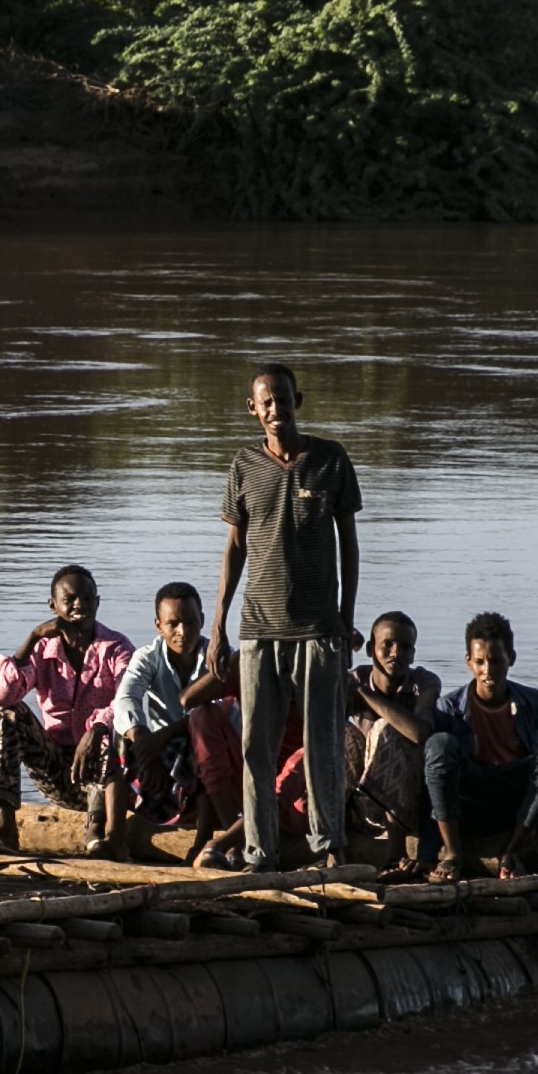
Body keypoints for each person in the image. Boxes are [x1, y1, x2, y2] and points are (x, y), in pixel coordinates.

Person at [213, 363, 362, 871]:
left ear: (299, 399)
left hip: (319, 629)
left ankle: (329, 847)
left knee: (322, 744)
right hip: (258, 629)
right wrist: (217, 627)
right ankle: (261, 852)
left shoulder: (329, 460)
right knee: (257, 747)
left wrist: (346, 618)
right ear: (252, 409)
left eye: (283, 399)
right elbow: (234, 549)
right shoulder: (244, 466)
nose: (276, 410)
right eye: (265, 403)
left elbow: (349, 544)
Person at [0, 565, 135, 856]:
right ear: (53, 606)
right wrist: (31, 638)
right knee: (9, 715)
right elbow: (1, 697)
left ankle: (96, 832)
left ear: (97, 602)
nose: (79, 604)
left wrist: (95, 729)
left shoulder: (117, 648)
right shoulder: (43, 648)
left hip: (105, 778)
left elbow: (128, 699)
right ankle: (5, 825)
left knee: (113, 727)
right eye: (69, 599)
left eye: (86, 598)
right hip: (58, 770)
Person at [426, 611, 538, 878]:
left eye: (495, 661)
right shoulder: (447, 709)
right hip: (471, 793)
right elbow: (438, 775)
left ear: (511, 659)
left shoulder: (537, 703)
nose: (488, 671)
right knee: (439, 745)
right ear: (468, 662)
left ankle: (511, 852)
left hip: (514, 793)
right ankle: (453, 853)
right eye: (480, 662)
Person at [110, 582, 244, 866]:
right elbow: (125, 699)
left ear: (203, 622)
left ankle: (203, 840)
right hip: (159, 761)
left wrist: (164, 737)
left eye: (191, 622)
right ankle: (113, 837)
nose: (183, 631)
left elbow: (226, 710)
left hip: (207, 763)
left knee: (201, 734)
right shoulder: (147, 657)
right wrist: (145, 740)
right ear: (158, 625)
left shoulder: (219, 658)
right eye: (173, 624)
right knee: (114, 736)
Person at [344, 610, 443, 872]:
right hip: (363, 796)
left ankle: (394, 852)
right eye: (387, 644)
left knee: (385, 729)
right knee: (339, 733)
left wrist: (364, 694)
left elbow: (418, 732)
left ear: (412, 654)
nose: (395, 653)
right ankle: (336, 838)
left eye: (405, 647)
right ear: (370, 649)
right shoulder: (354, 678)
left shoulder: (424, 682)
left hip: (407, 798)